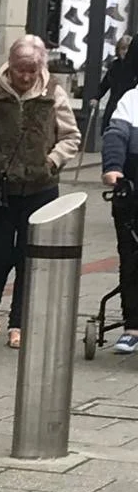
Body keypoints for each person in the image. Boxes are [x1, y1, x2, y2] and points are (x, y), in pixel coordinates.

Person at [0, 34, 80, 348]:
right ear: (10, 65)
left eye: (31, 70)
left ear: (40, 68)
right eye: (19, 70)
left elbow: (71, 137)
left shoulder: (53, 92)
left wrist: (51, 161)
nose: (25, 77)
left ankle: (18, 322)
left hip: (40, 188)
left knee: (28, 256)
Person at [102, 82, 138, 355]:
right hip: (133, 189)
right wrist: (113, 167)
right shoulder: (132, 99)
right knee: (131, 256)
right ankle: (133, 326)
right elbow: (115, 134)